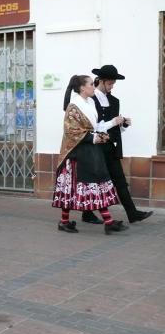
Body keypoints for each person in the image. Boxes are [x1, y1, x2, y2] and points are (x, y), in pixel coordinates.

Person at [52, 75, 127, 235]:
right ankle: (104, 222)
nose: (94, 86)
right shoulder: (74, 106)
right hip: (76, 154)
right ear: (82, 88)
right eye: (91, 84)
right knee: (74, 189)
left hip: (90, 151)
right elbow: (71, 131)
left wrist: (114, 122)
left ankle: (105, 222)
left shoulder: (90, 102)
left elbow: (96, 125)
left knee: (95, 185)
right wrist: (94, 137)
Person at [82, 65, 153, 225]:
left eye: (113, 83)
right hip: (96, 145)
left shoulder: (114, 100)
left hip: (110, 146)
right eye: (110, 83)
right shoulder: (90, 100)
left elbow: (114, 127)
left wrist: (123, 124)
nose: (112, 86)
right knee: (95, 181)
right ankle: (87, 214)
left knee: (119, 180)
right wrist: (114, 121)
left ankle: (132, 214)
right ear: (101, 81)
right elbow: (93, 126)